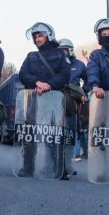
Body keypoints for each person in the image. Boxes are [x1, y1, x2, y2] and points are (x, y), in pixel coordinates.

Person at [18, 22, 70, 179]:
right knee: (30, 135)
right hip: (34, 100)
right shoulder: (31, 56)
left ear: (49, 36)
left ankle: (60, 170)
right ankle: (27, 168)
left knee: (54, 136)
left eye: (40, 35)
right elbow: (22, 74)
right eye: (35, 36)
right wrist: (37, 83)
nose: (37, 39)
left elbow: (65, 74)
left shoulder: (60, 55)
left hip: (53, 101)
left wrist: (49, 85)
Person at [58, 38, 87, 162]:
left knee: (71, 132)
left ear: (70, 50)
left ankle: (67, 163)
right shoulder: (54, 64)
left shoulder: (79, 64)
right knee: (56, 132)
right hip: (55, 101)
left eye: (64, 50)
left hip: (72, 103)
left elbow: (89, 78)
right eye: (59, 51)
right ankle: (55, 161)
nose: (62, 53)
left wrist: (83, 92)